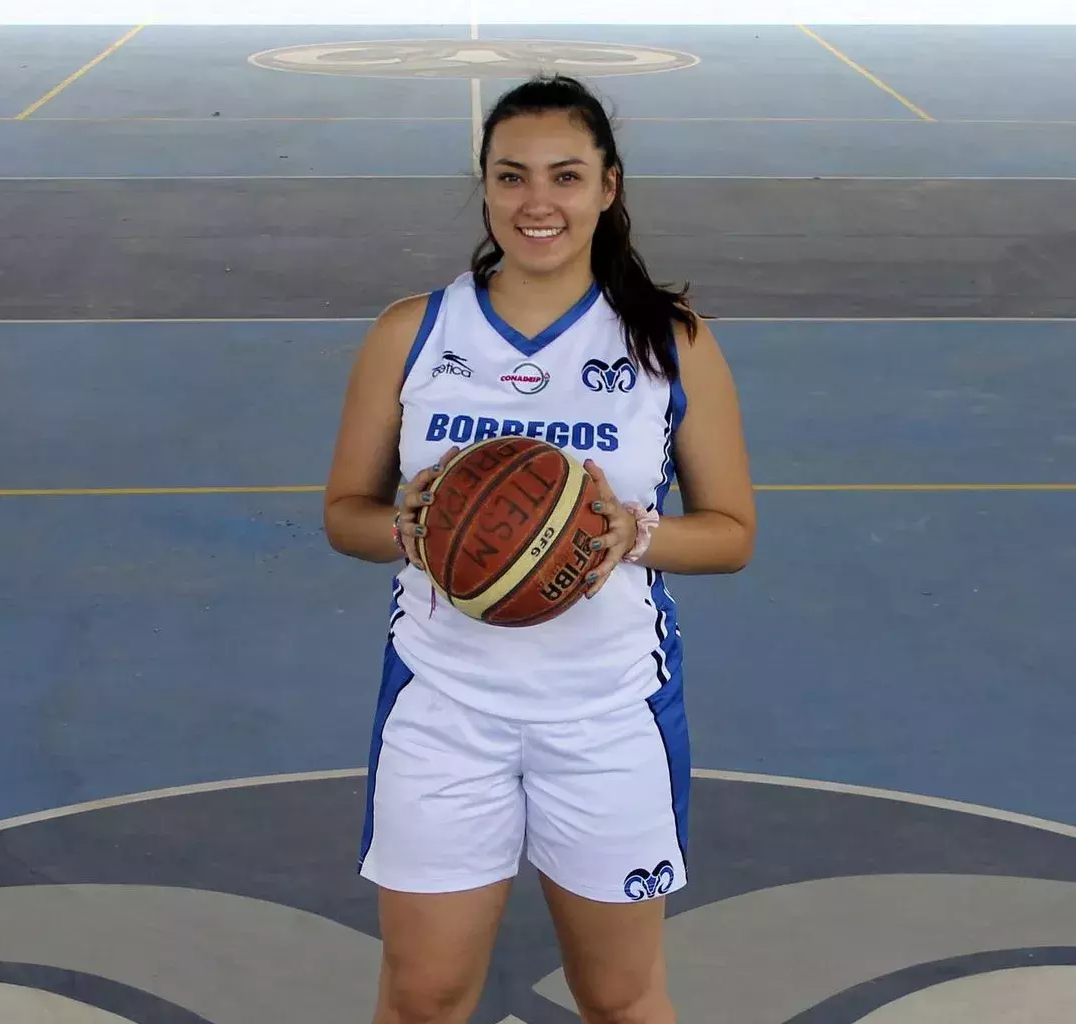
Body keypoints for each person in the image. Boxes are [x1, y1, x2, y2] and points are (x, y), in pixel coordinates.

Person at [322, 73, 756, 1024]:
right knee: (424, 995)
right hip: (445, 706)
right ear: (484, 189)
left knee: (619, 995)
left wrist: (628, 536)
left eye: (565, 176)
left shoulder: (669, 342)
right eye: (511, 177)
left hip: (608, 714)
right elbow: (345, 513)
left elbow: (730, 536)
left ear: (609, 187)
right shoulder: (415, 332)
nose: (537, 202)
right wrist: (410, 526)